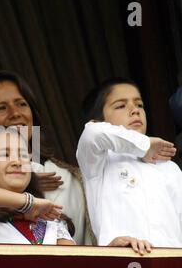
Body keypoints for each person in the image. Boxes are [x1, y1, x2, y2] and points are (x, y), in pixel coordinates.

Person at [0, 69, 95, 245]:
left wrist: (111, 250)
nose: (15, 113)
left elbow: (76, 263)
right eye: (1, 107)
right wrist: (28, 202)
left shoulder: (67, 184)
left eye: (22, 104)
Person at [77, 77, 182, 250]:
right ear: (99, 120)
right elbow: (92, 133)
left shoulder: (169, 168)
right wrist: (144, 146)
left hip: (170, 264)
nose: (135, 111)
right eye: (120, 105)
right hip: (122, 263)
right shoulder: (100, 160)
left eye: (139, 105)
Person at [0, 128, 76, 245]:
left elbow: (74, 261)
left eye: (23, 155)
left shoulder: (52, 223)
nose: (17, 162)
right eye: (5, 154)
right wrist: (29, 204)